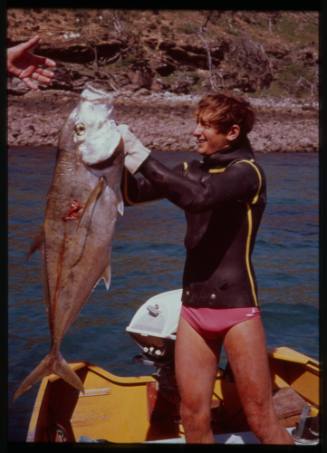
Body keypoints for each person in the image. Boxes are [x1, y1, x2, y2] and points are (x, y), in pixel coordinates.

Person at [117, 93, 294, 444]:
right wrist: (113, 155)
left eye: (205, 125)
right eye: (196, 122)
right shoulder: (191, 170)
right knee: (192, 416)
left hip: (237, 310)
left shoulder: (248, 174)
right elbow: (132, 195)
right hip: (194, 309)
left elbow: (198, 196)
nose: (195, 131)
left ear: (232, 132)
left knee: (260, 419)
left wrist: (139, 153)